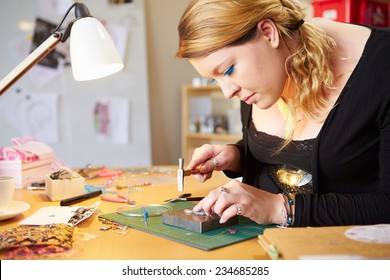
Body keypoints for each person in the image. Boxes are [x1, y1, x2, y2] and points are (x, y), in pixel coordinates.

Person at [175, 0, 390, 227]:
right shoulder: (262, 79)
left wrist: (279, 208)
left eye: (228, 70)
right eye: (214, 79)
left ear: (268, 33)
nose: (228, 92)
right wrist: (237, 156)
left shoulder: (382, 68)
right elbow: (287, 158)